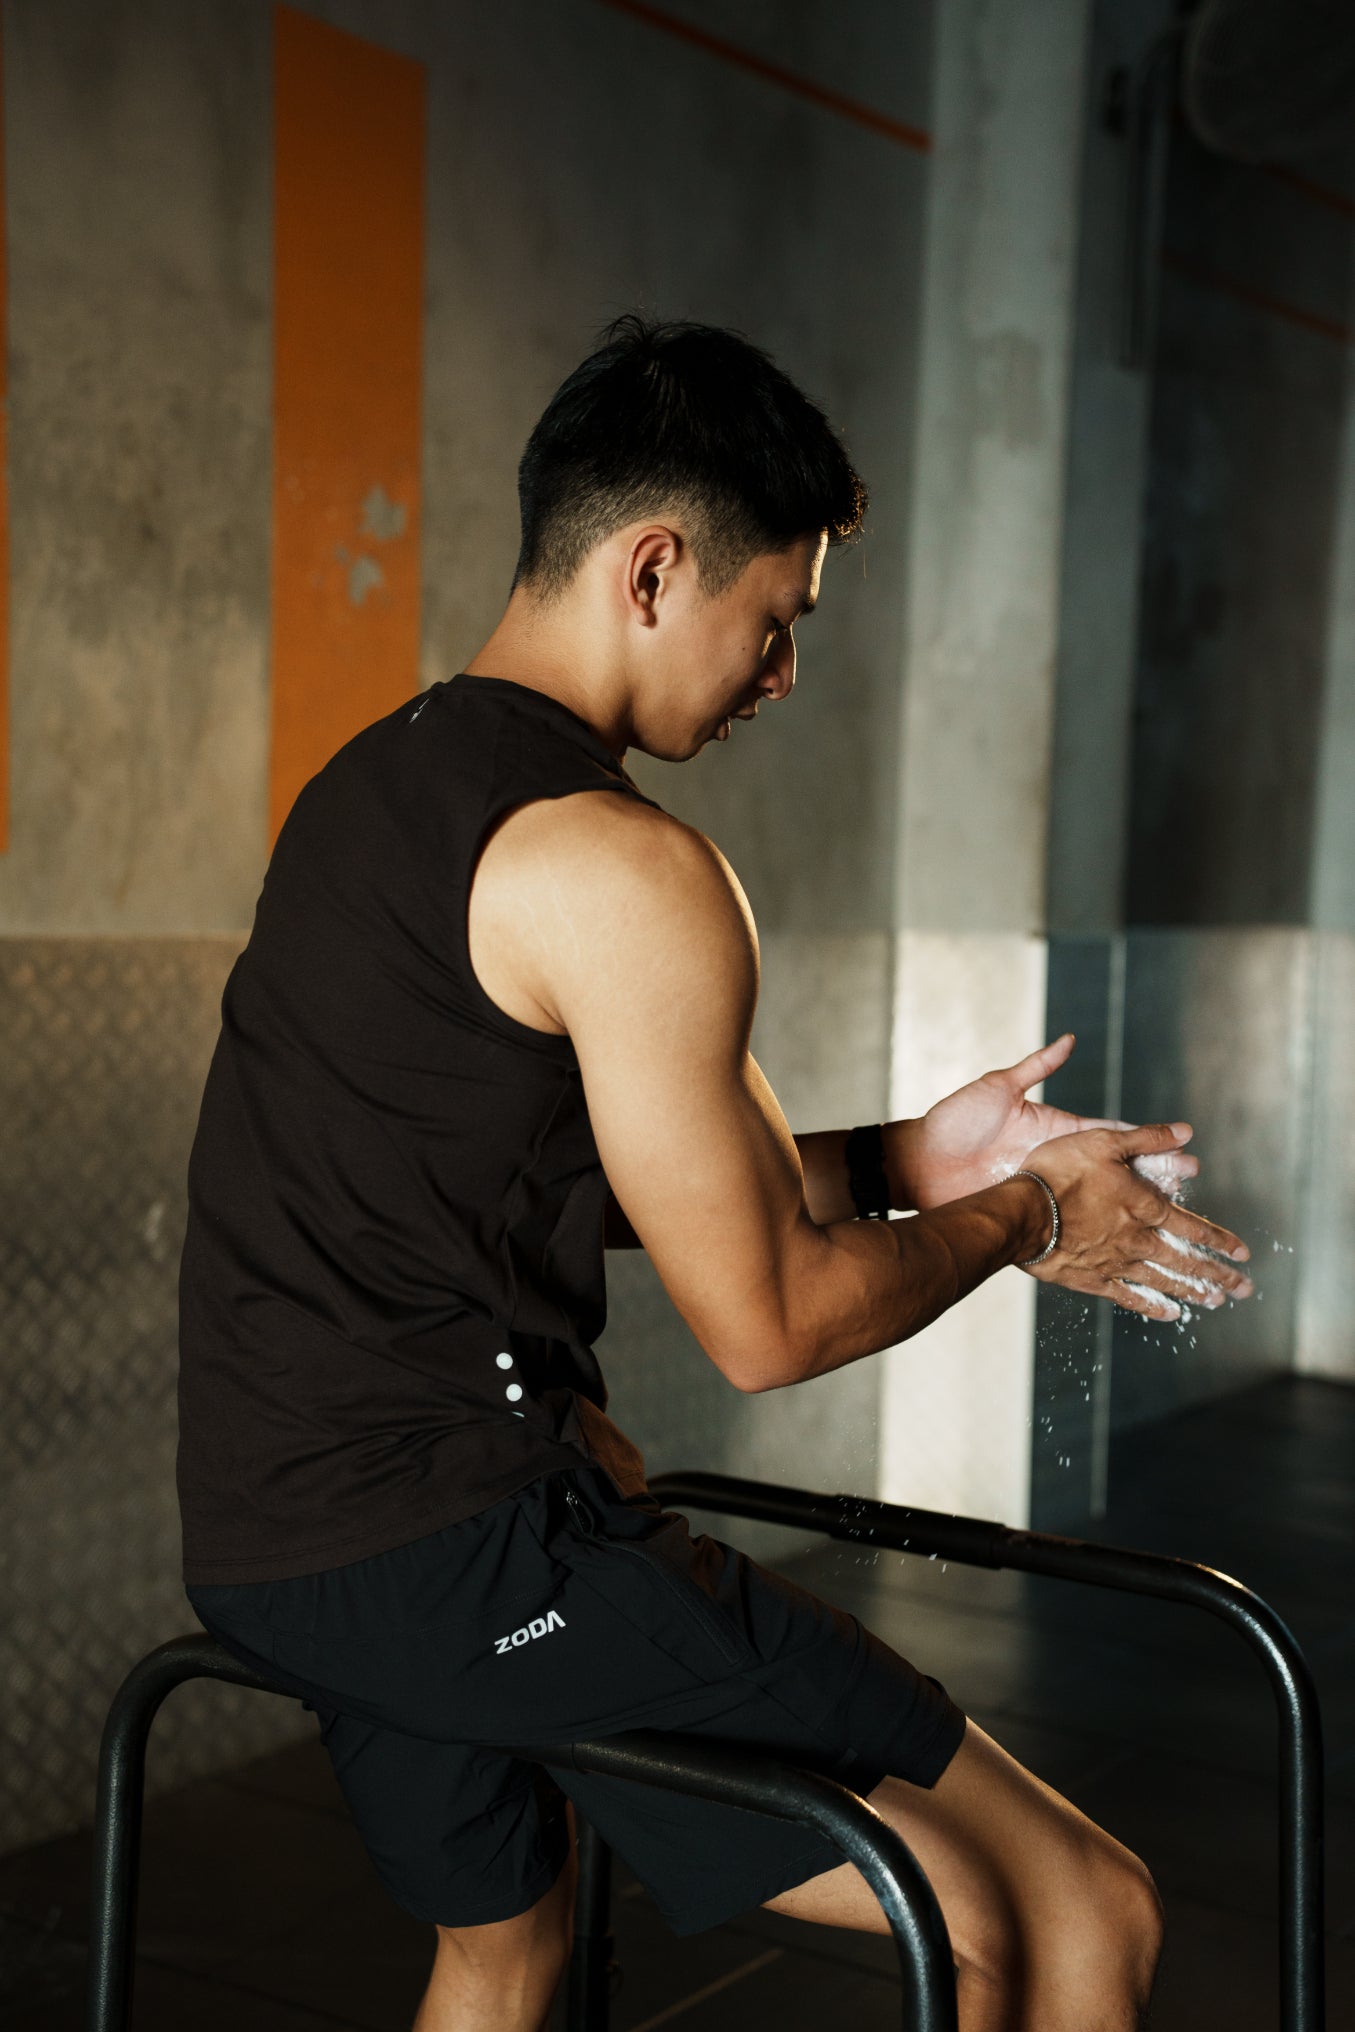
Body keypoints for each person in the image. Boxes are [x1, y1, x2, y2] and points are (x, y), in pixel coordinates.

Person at [177, 315, 1254, 2032]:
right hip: (469, 1550)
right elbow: (769, 1322)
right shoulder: (628, 870)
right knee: (1045, 1914)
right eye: (778, 620)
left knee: (506, 1944)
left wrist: (920, 1157)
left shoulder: (370, 789)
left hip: (274, 1544)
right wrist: (1032, 1215)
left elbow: (547, 1177)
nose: (780, 675)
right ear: (658, 567)